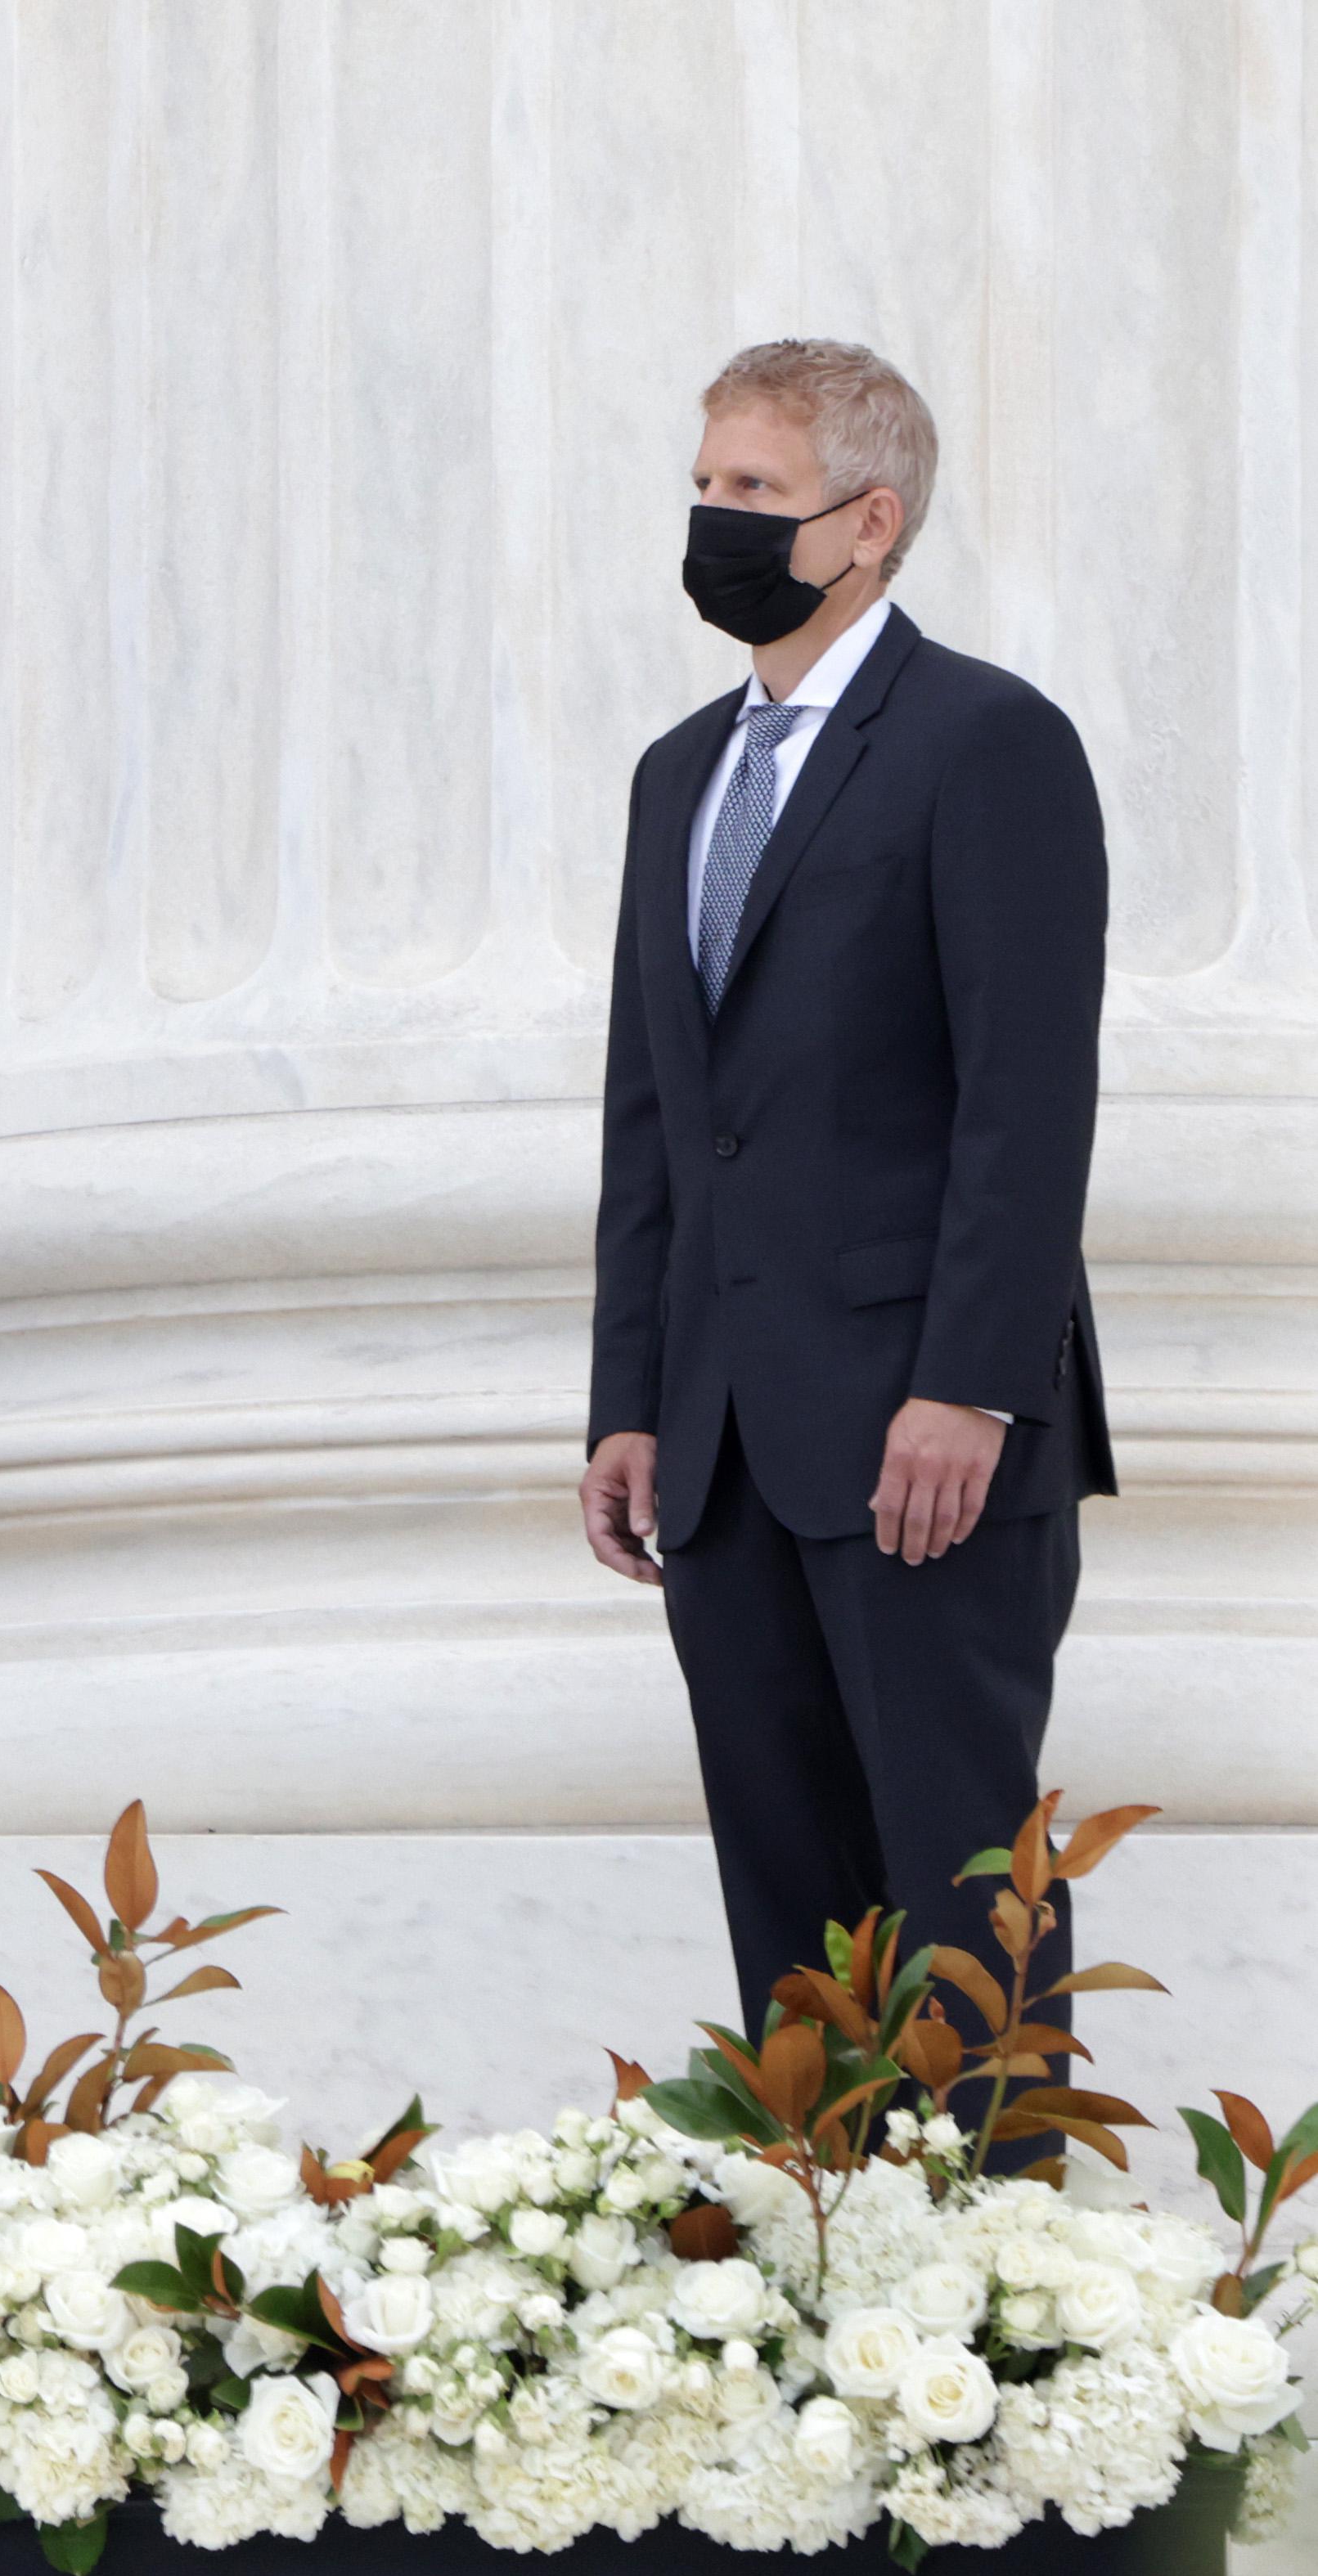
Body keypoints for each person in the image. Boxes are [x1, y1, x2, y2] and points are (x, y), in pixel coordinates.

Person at [582, 340, 1113, 2035]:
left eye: (751, 490)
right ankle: (826, 2268)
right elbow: (656, 1120)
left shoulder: (984, 743)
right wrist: (627, 1400)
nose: (711, 517)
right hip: (721, 1447)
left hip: (920, 1436)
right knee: (787, 1918)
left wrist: (966, 1381)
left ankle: (1005, 2292)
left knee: (962, 1905)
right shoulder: (677, 774)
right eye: (704, 481)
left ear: (864, 521)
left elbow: (1023, 1106)